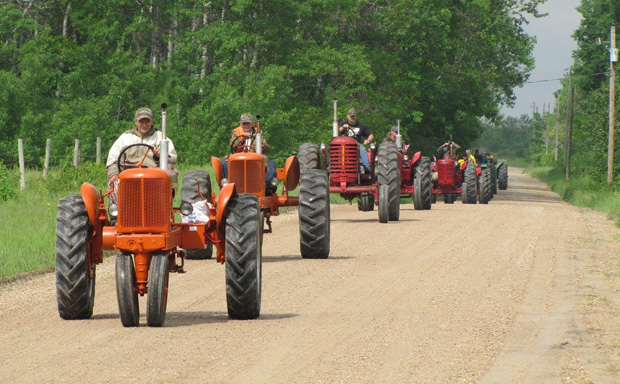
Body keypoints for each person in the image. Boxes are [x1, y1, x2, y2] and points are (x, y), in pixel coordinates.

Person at [106, 107, 178, 192]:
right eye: (141, 121)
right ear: (136, 122)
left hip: (155, 178)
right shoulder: (125, 138)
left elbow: (173, 158)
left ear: (152, 122)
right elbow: (113, 160)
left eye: (147, 121)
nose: (144, 125)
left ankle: (165, 201)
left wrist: (160, 156)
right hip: (129, 178)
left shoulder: (161, 138)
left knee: (171, 169)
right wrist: (114, 175)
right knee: (113, 183)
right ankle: (115, 205)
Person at [223, 113, 277, 192]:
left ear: (252, 123)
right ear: (241, 124)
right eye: (244, 123)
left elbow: (266, 147)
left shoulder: (258, 133)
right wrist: (242, 139)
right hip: (239, 157)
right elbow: (232, 146)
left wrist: (259, 145)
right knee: (224, 162)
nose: (246, 126)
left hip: (255, 158)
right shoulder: (237, 132)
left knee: (271, 163)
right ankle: (229, 185)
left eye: (248, 123)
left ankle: (267, 183)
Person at [338, 108, 374, 172]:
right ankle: (332, 165)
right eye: (351, 116)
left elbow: (371, 135)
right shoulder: (343, 124)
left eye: (354, 116)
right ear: (347, 116)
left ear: (356, 116)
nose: (352, 117)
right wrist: (343, 127)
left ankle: (367, 167)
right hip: (344, 146)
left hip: (357, 145)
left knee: (362, 149)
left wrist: (368, 140)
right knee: (336, 149)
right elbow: (338, 131)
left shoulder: (361, 125)